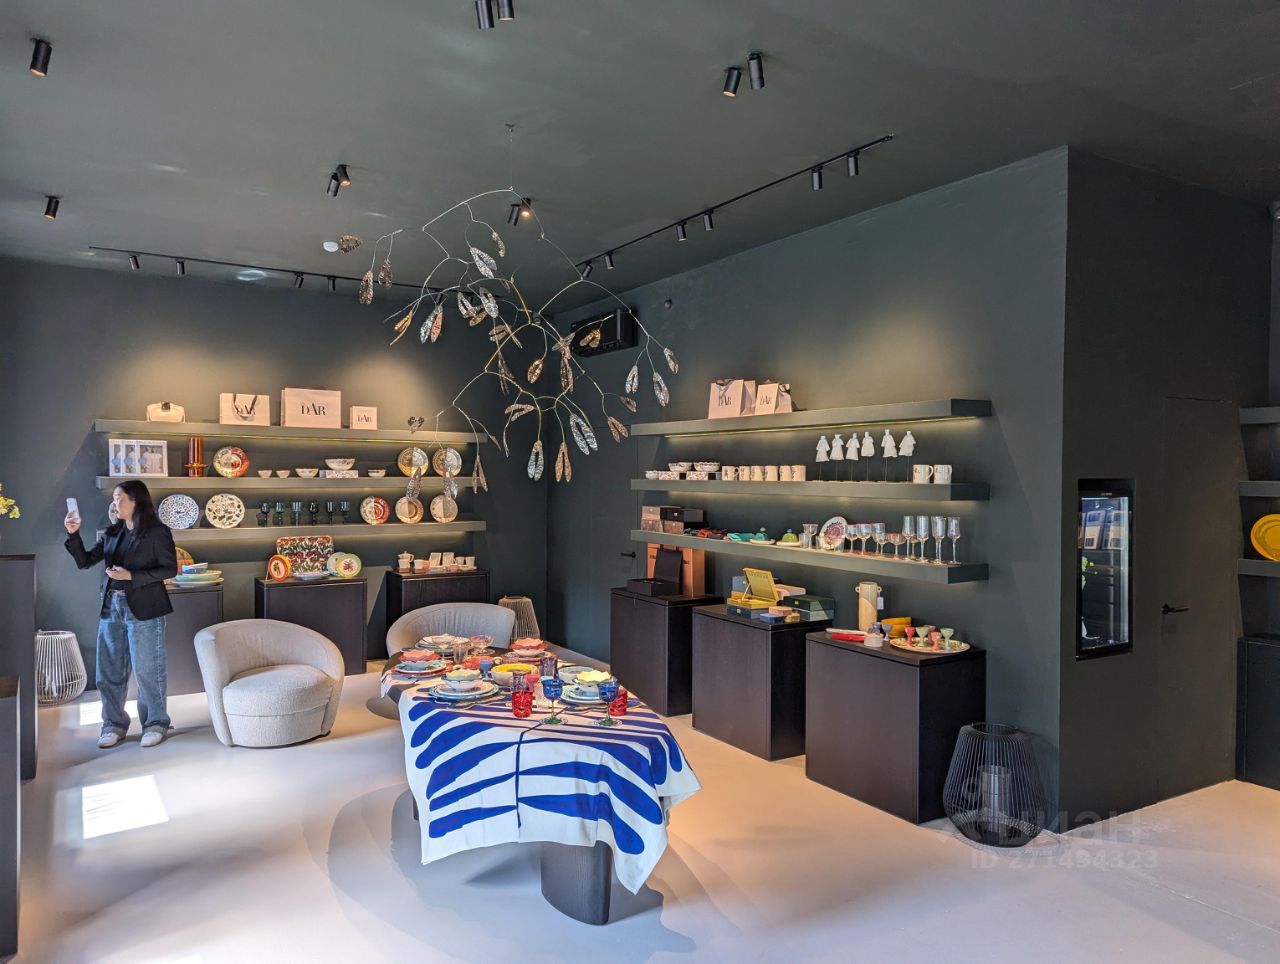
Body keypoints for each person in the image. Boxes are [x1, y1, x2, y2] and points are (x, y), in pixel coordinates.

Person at [65, 480, 177, 748]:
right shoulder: (112, 532)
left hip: (145, 608)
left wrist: (132, 576)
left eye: (119, 498)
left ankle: (155, 723)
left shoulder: (157, 532)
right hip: (111, 607)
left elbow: (169, 569)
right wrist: (73, 534)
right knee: (108, 671)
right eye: (114, 498)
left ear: (136, 501)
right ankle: (113, 724)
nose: (114, 503)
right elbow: (85, 561)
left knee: (148, 670)